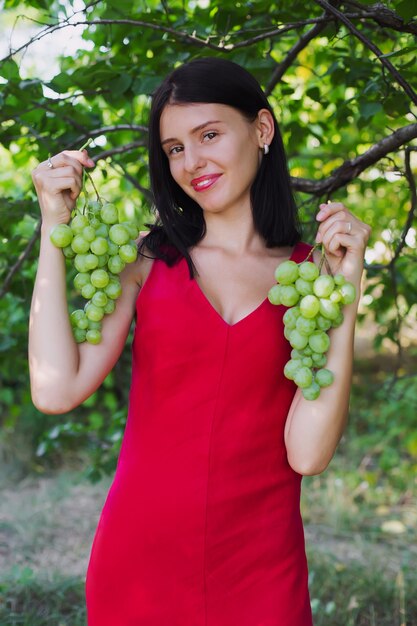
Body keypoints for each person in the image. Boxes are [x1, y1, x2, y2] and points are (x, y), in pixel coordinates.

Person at [29, 57, 371, 625]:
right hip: (138, 565)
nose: (191, 162)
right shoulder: (148, 260)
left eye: (208, 135)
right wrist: (51, 227)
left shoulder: (312, 278)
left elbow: (307, 454)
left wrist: (349, 289)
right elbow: (55, 388)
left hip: (263, 570)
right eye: (174, 148)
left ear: (262, 130)